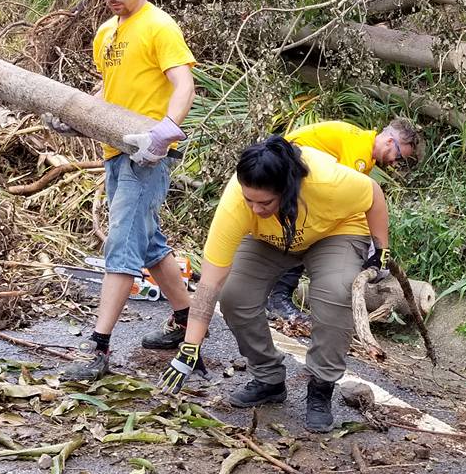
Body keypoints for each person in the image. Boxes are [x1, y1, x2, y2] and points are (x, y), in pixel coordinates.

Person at [157, 136, 390, 432]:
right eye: (248, 200)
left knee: (335, 292)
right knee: (235, 295)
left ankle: (321, 386)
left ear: (287, 189)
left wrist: (381, 251)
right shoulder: (237, 203)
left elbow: (374, 194)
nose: (254, 208)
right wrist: (189, 348)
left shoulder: (329, 183)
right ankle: (268, 378)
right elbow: (210, 285)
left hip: (336, 231)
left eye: (264, 201)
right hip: (271, 237)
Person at [47, 0, 196, 380]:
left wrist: (165, 131)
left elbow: (183, 83)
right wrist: (75, 114)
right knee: (148, 243)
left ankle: (99, 348)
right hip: (116, 150)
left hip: (144, 155)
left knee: (122, 245)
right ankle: (186, 319)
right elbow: (108, 91)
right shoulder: (106, 33)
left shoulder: (159, 26)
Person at [265, 117, 423, 320]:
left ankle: (273, 295)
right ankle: (278, 298)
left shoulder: (362, 147)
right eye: (399, 157)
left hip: (290, 173)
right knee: (311, 233)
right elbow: (346, 200)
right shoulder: (359, 151)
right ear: (390, 142)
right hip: (284, 172)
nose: (394, 163)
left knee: (312, 230)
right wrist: (374, 249)